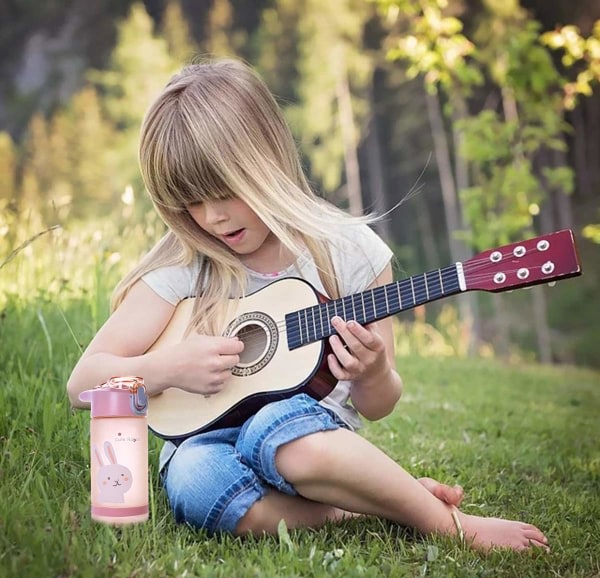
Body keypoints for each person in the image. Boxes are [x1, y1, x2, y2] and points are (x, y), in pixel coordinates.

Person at [67, 58, 549, 551]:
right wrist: (164, 367)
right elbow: (81, 385)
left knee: (280, 429)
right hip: (203, 440)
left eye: (224, 191)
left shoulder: (347, 250)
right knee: (192, 481)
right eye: (191, 201)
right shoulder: (185, 264)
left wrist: (372, 373)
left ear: (266, 159)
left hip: (309, 438)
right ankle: (360, 505)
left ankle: (448, 524)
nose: (212, 217)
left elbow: (378, 405)